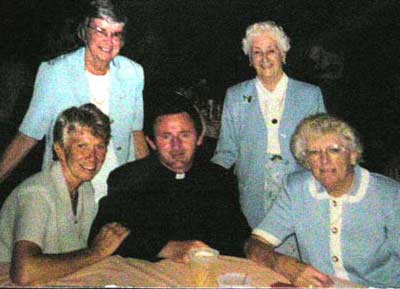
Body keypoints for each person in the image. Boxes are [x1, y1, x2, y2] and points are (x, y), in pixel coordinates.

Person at [0, 0, 148, 203]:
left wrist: (151, 184)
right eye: (100, 31)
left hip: (119, 186)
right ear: (84, 31)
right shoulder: (55, 72)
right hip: (69, 186)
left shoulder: (133, 72)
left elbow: (136, 133)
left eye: (116, 34)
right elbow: (28, 135)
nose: (108, 42)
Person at [89, 91, 251, 263]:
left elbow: (239, 238)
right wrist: (164, 248)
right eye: (166, 136)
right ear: (151, 142)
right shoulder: (127, 179)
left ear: (199, 138)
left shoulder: (220, 179)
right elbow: (99, 239)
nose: (176, 146)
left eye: (184, 134)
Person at [212, 21, 326, 257]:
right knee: (259, 258)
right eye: (257, 52)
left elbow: (322, 147)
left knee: (301, 257)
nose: (264, 59)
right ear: (250, 59)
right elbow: (226, 151)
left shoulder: (309, 94)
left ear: (283, 54)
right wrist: (203, 182)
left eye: (271, 51)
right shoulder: (235, 96)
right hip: (253, 190)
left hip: (299, 189)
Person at [245, 113, 400, 287]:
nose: (324, 160)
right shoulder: (296, 189)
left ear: (353, 155)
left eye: (334, 150)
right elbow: (254, 245)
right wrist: (281, 263)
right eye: (314, 152)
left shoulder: (390, 196)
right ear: (306, 161)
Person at [0, 104, 130, 286]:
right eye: (82, 146)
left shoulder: (85, 189)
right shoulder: (37, 193)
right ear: (60, 150)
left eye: (99, 147)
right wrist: (96, 252)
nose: (92, 157)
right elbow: (23, 272)